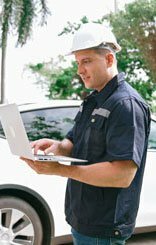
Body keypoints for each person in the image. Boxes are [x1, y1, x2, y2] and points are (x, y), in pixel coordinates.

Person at [20, 23, 151, 245]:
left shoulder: (126, 105)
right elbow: (74, 139)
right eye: (78, 63)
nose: (80, 70)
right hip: (82, 219)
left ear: (109, 59)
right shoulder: (93, 99)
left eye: (87, 61)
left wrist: (59, 170)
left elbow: (122, 174)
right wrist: (57, 147)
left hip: (103, 228)